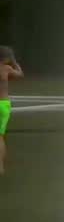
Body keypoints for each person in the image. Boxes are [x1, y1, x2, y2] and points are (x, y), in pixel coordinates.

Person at [0, 45, 24, 176]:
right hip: (3, 104)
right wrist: (15, 63)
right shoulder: (7, 69)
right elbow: (20, 75)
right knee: (0, 136)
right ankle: (1, 165)